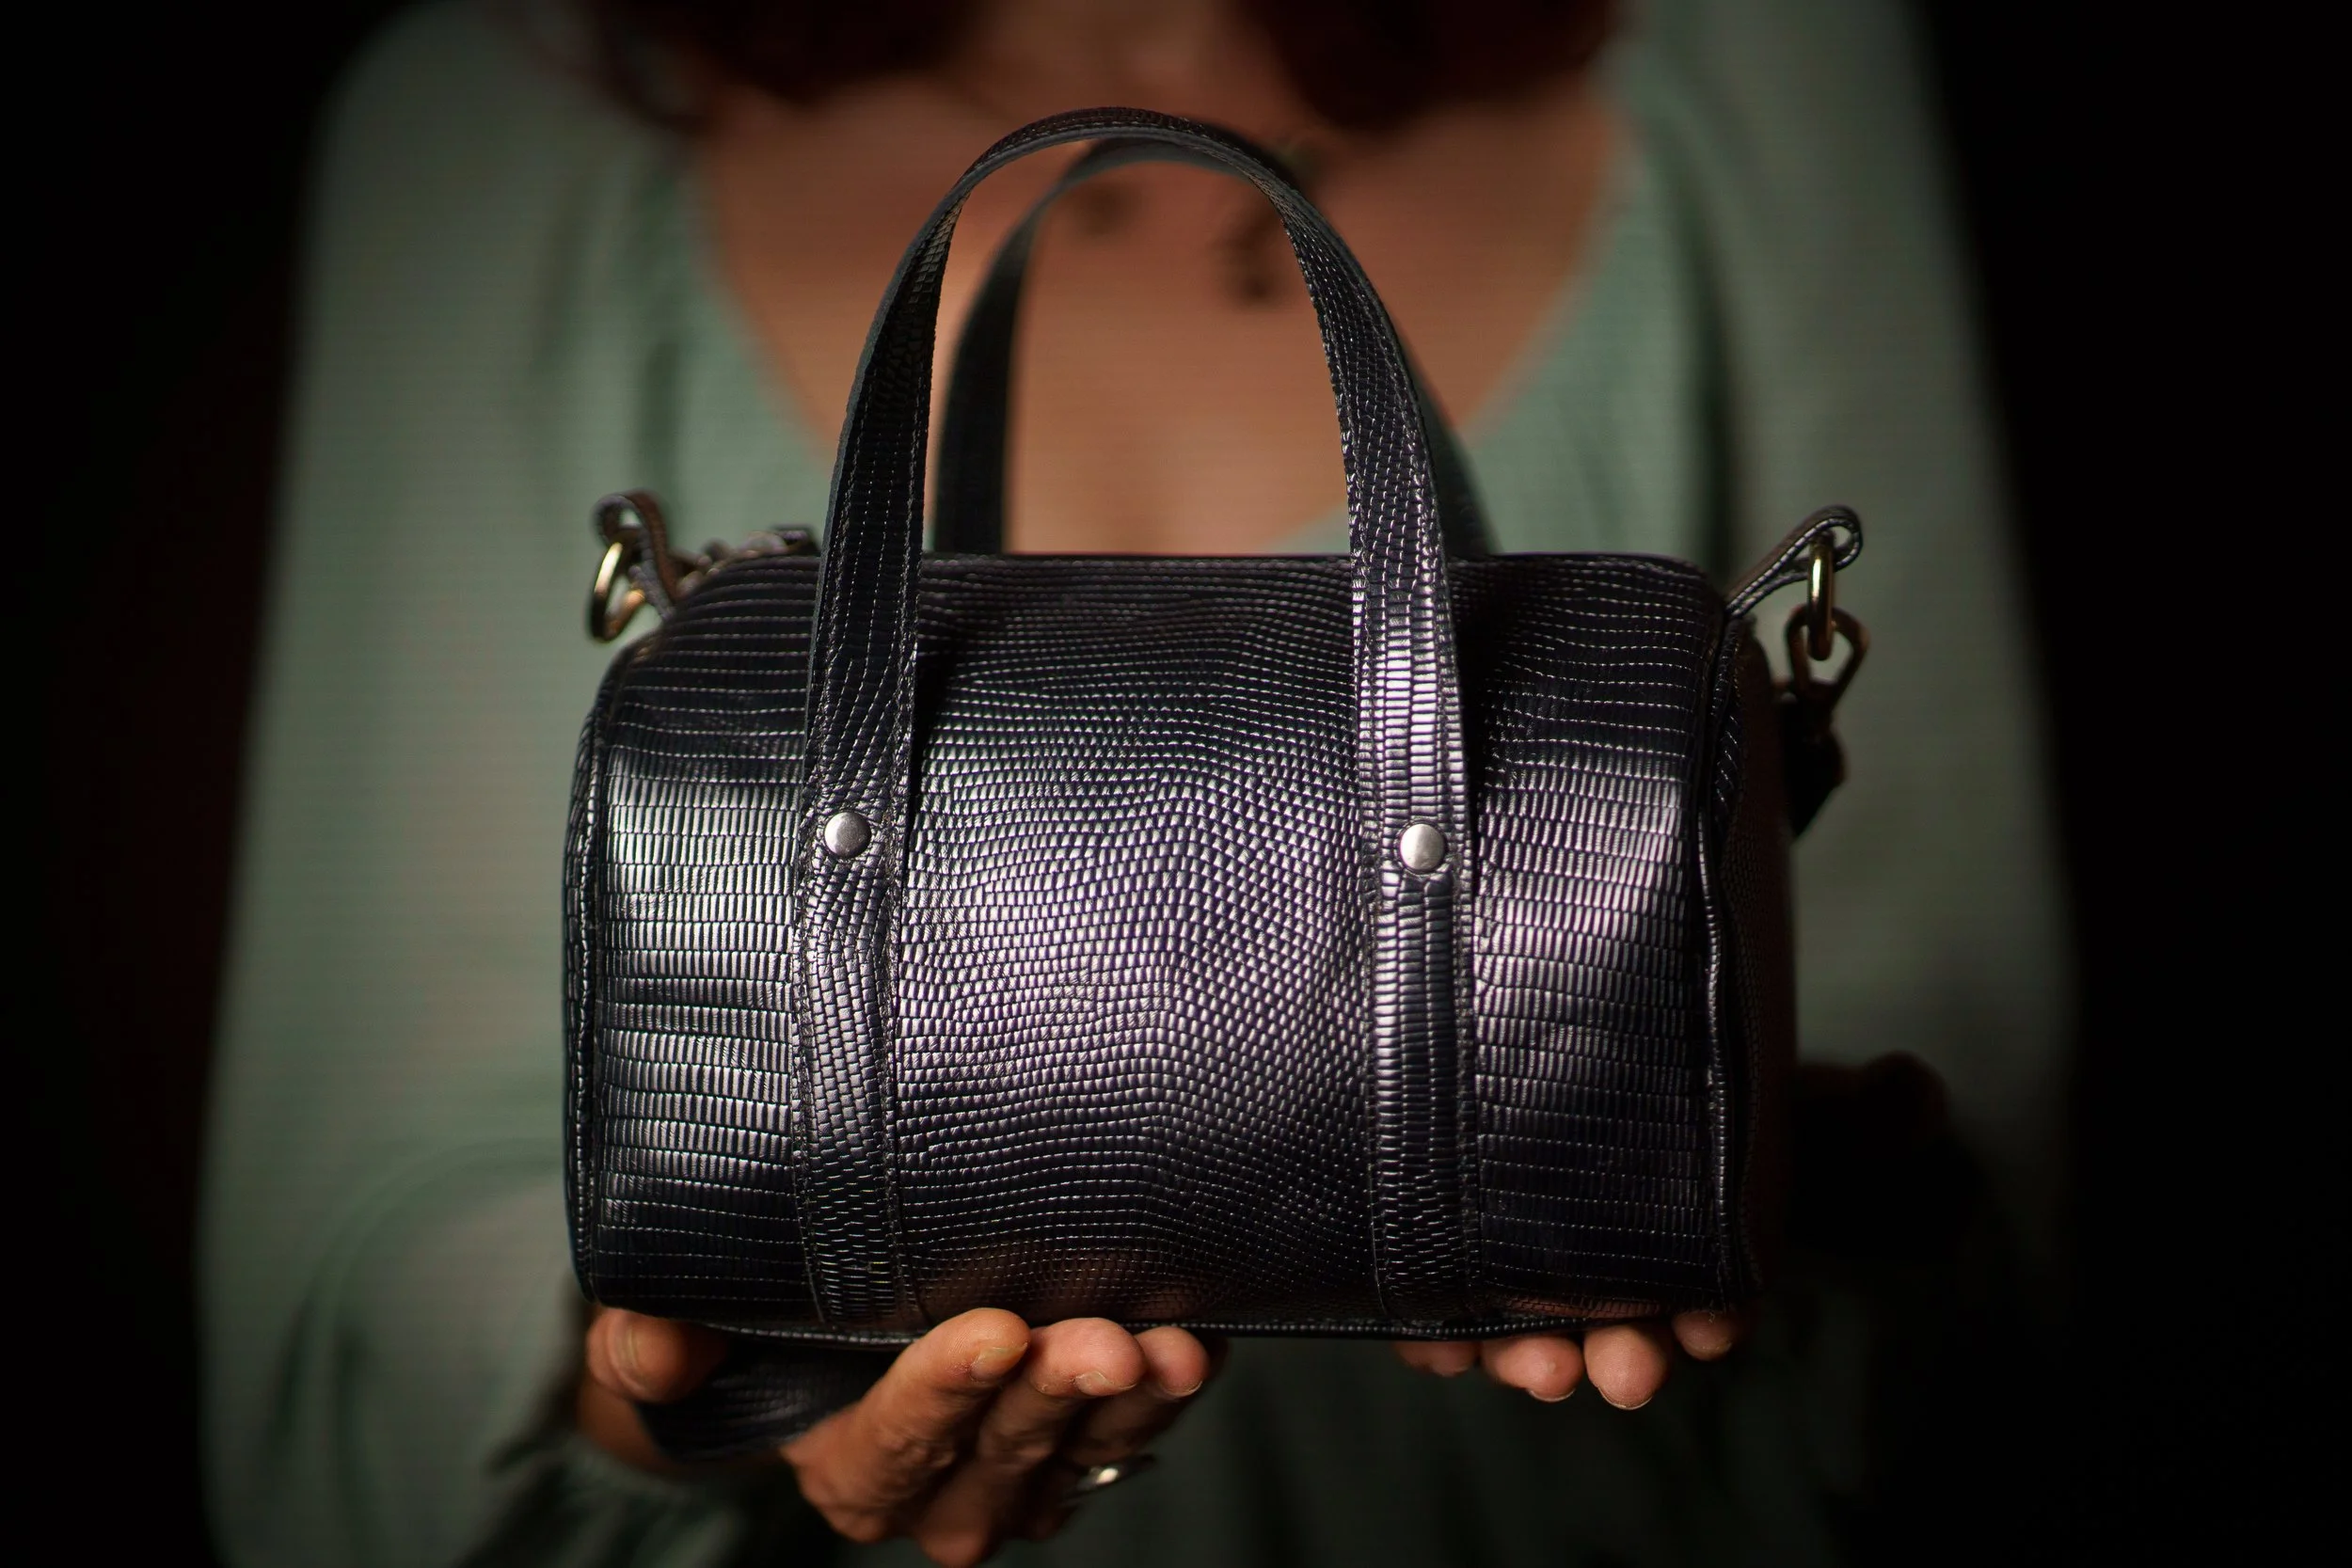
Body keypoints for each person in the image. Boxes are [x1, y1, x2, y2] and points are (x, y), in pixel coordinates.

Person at [200, 0, 2069, 1562]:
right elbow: (364, 1225)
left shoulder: (1766, 56)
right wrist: (676, 1393)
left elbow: (1985, 1090)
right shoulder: (493, 123)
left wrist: (1759, 1162)